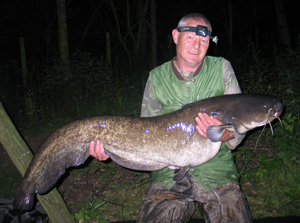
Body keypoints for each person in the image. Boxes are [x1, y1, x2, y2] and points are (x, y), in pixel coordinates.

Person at [89, 13, 252, 223]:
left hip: (216, 170)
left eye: (204, 40)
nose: (197, 45)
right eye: (190, 37)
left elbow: (238, 128)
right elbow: (143, 135)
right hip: (167, 174)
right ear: (176, 36)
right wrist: (111, 149)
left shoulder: (222, 68)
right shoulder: (156, 77)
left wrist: (224, 134)